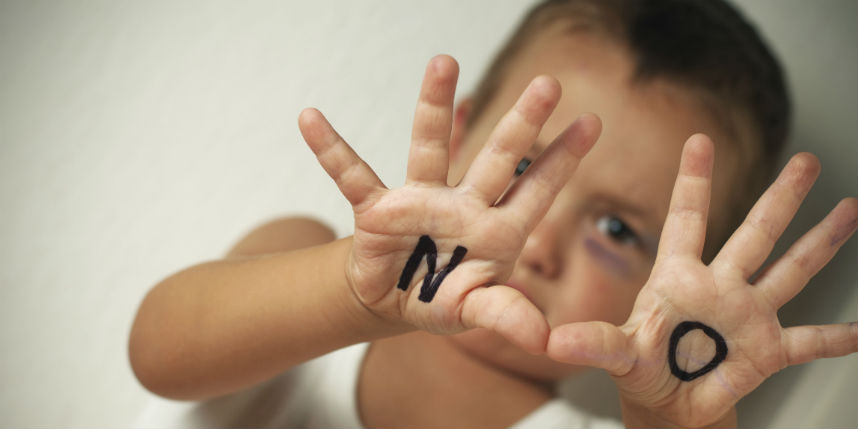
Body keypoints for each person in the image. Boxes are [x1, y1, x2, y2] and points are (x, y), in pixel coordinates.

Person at [129, 0, 858, 427]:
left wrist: (675, 420)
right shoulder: (303, 272)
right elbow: (158, 352)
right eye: (522, 169)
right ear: (460, 134)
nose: (536, 243)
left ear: (678, 279)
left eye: (616, 230)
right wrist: (353, 294)